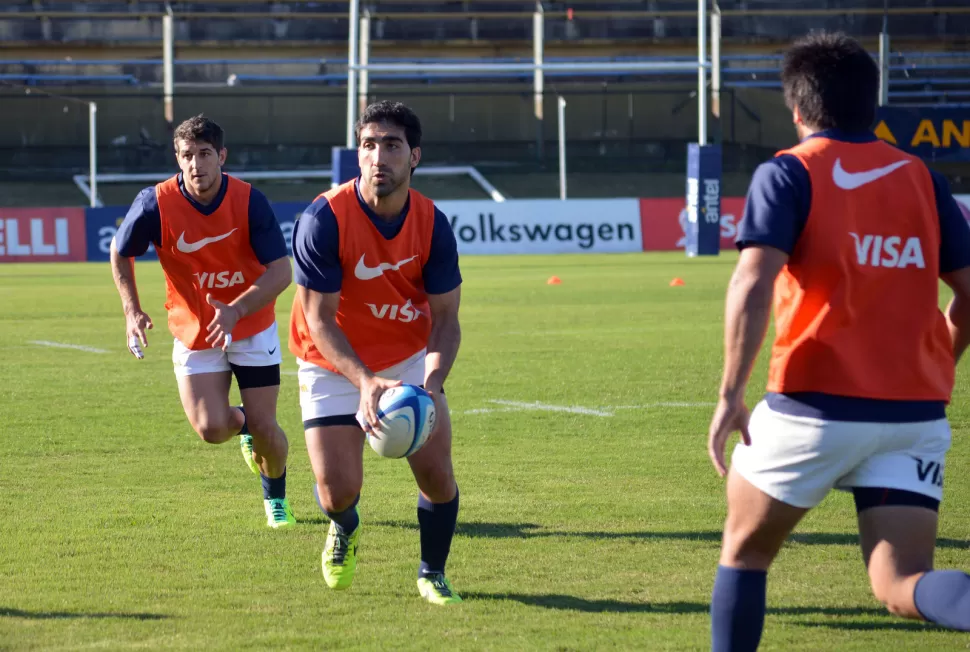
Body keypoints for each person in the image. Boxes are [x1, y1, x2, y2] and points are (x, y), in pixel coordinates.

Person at [706, 32, 970, 651]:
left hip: (814, 410)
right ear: (872, 107)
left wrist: (730, 393)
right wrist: (939, 361)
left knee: (744, 554)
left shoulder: (790, 171)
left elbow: (752, 280)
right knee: (901, 582)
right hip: (914, 418)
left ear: (797, 110)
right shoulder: (923, 179)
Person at [289, 100, 463, 604]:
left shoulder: (432, 223)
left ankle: (432, 572)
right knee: (336, 492)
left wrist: (430, 386)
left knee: (438, 477)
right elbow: (319, 321)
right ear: (357, 155)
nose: (378, 156)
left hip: (407, 356)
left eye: (391, 145)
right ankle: (344, 526)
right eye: (368, 145)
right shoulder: (324, 218)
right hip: (332, 359)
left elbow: (447, 319)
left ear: (415, 157)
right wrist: (365, 381)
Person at [110, 114, 295, 529]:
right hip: (194, 328)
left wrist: (236, 310)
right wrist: (131, 310)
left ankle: (276, 499)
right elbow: (120, 251)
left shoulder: (249, 201)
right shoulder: (155, 203)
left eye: (205, 154)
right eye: (187, 156)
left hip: (251, 325)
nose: (196, 165)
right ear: (178, 158)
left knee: (268, 428)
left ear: (222, 156)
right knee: (212, 429)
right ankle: (243, 423)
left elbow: (281, 272)